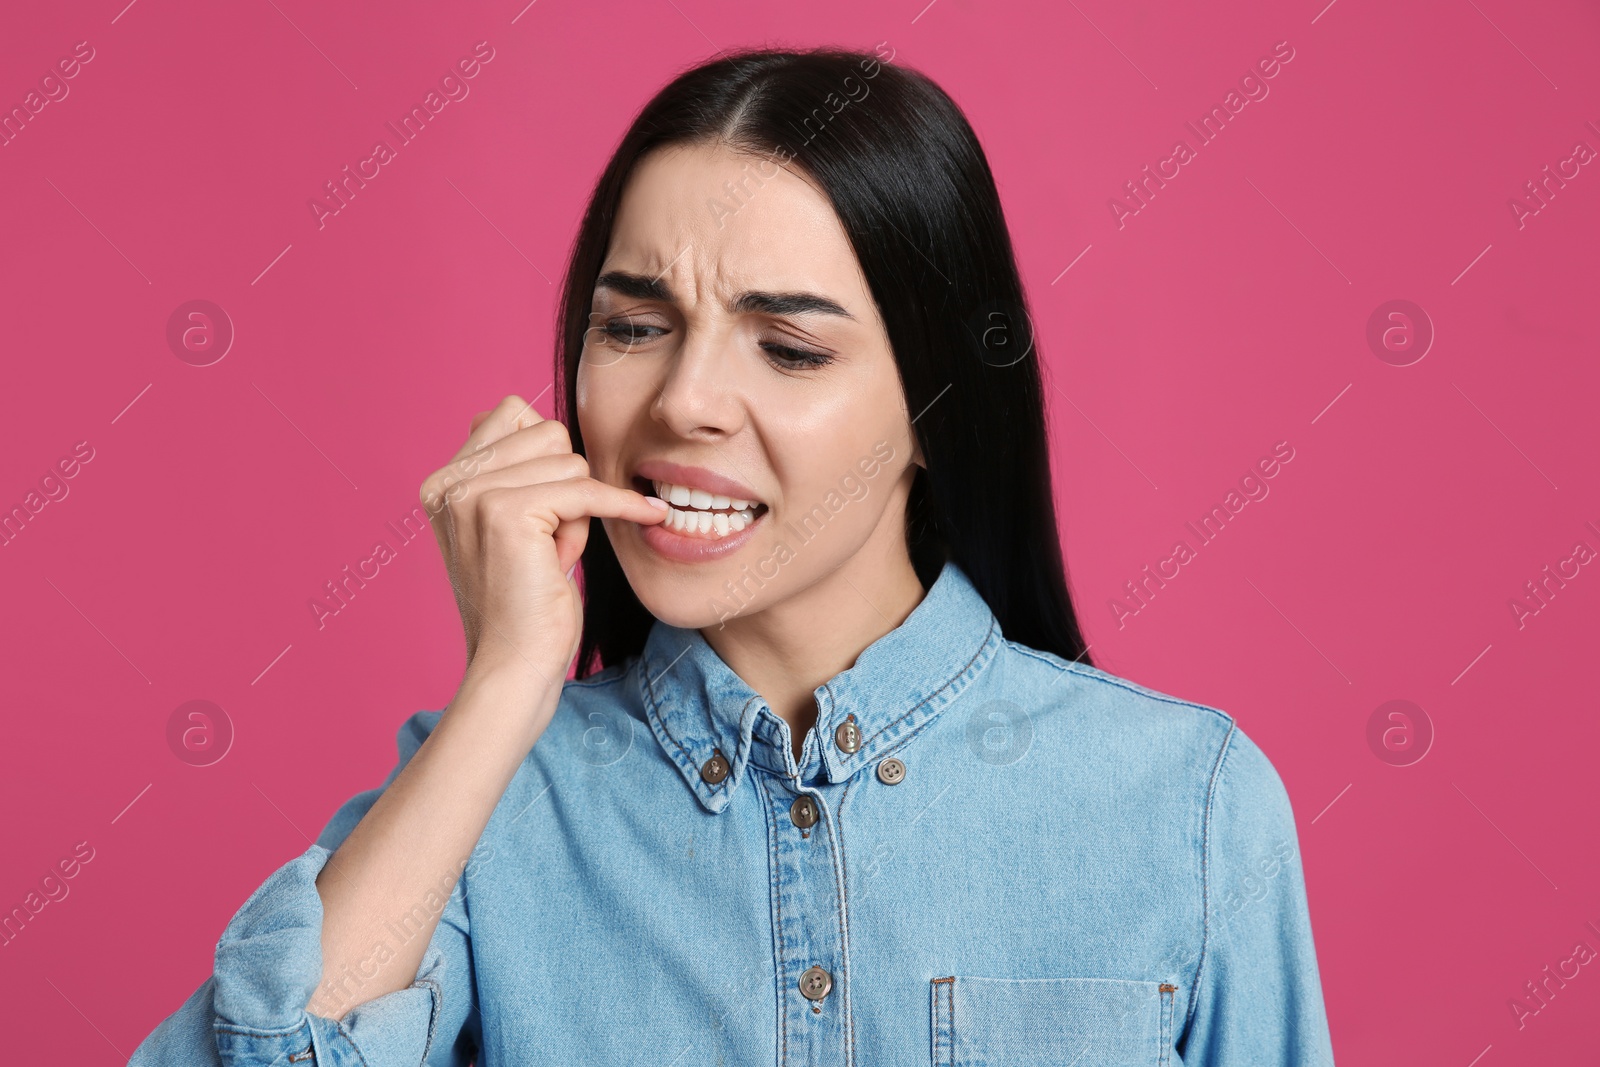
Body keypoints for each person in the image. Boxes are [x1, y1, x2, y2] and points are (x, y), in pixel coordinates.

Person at [131, 46, 1335, 1066]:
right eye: (636, 327)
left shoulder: (1188, 804)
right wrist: (502, 687)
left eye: (788, 347)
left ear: (934, 405)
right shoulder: (482, 803)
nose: (685, 401)